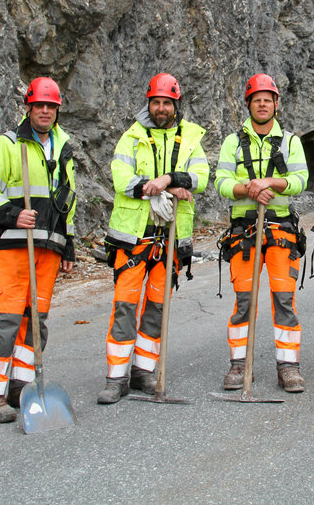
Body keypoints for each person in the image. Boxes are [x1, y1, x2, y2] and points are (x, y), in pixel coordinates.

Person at [96, 74, 209, 404]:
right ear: (149, 103)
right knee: (125, 308)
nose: (161, 108)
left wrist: (169, 179)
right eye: (156, 102)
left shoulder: (190, 139)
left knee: (156, 309)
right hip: (134, 239)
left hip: (169, 240)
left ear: (176, 105)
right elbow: (120, 178)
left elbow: (200, 178)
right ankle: (116, 378)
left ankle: (144, 371)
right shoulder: (131, 137)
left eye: (167, 103)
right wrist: (159, 187)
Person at [0, 77, 77, 423]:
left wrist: (68, 245)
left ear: (57, 109)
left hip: (48, 248)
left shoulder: (64, 147)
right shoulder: (7, 145)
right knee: (7, 319)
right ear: (29, 108)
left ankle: (20, 386)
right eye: (39, 106)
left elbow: (68, 200)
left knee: (36, 321)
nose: (45, 111)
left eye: (50, 106)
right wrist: (13, 214)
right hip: (13, 245)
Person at [215, 73, 309, 392]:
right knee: (244, 300)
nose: (263, 104)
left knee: (284, 299)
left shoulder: (291, 142)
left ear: (276, 104)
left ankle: (288, 367)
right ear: (249, 104)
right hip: (245, 231)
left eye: (267, 99)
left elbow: (300, 179)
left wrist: (269, 183)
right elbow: (222, 182)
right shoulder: (232, 142)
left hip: (280, 229)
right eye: (257, 100)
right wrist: (248, 190)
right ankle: (239, 366)